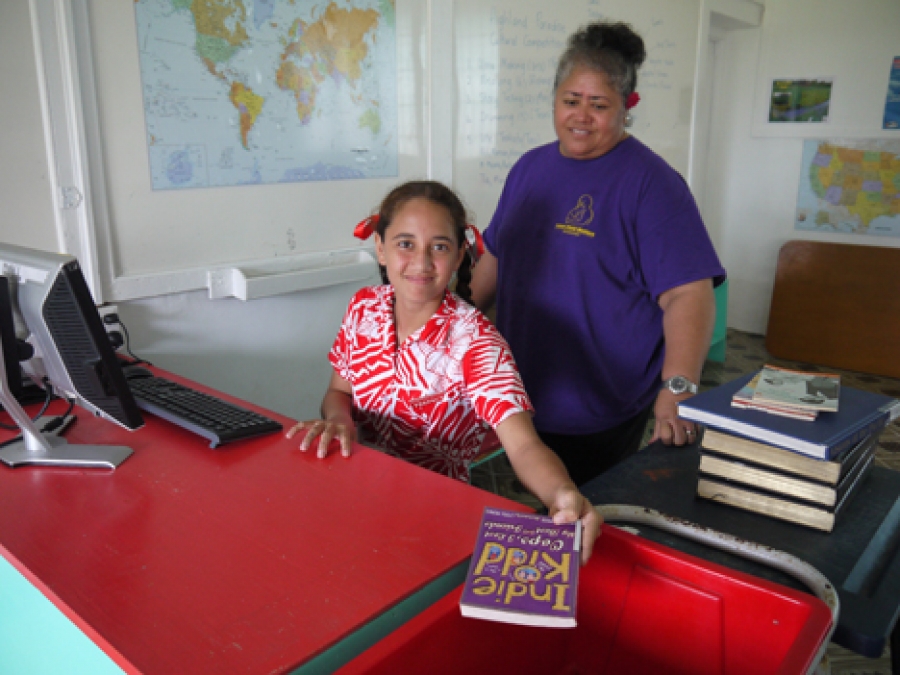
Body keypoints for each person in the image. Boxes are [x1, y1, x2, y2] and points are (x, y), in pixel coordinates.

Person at [286, 180, 600, 562]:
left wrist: (562, 494)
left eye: (438, 247)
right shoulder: (364, 307)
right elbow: (339, 394)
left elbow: (523, 444)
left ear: (458, 257)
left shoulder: (476, 342)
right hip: (356, 488)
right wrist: (340, 421)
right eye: (405, 244)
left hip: (433, 515)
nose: (420, 262)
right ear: (381, 250)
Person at [470, 21, 727, 486]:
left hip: (600, 404)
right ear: (554, 99)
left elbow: (689, 294)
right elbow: (498, 256)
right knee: (532, 501)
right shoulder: (529, 168)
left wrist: (678, 389)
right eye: (571, 101)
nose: (581, 117)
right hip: (518, 392)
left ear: (628, 108)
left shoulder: (652, 184)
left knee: (587, 513)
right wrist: (448, 320)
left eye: (599, 105)